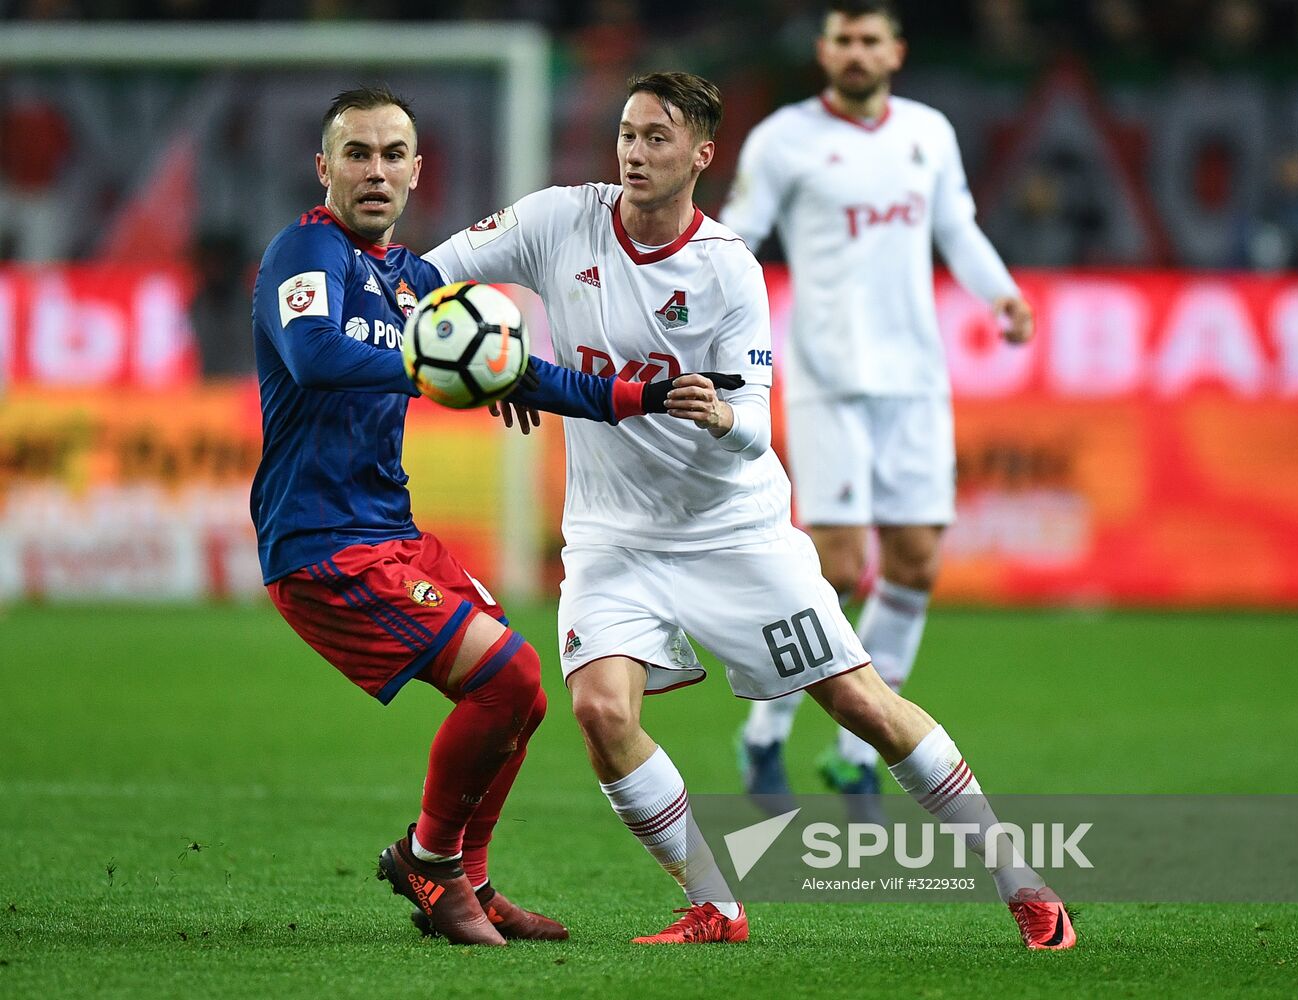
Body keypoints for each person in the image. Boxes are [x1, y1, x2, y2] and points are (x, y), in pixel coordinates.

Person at [425, 71, 1073, 949]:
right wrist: (482, 357)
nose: (634, 151)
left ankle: (1027, 888)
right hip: (613, 536)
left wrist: (721, 414)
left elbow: (755, 433)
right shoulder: (556, 220)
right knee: (602, 715)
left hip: (733, 532)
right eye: (626, 132)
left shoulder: (726, 269)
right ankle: (716, 908)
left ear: (701, 154)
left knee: (861, 704)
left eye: (657, 137)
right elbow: (433, 271)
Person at [251, 86, 679, 947]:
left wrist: (627, 396)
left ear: (417, 169)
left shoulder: (413, 281)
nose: (376, 170)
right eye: (358, 153)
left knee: (521, 704)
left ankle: (470, 886)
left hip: (390, 534)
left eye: (392, 154)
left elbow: (517, 369)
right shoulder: (305, 250)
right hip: (322, 544)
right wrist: (436, 361)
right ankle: (430, 861)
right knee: (512, 675)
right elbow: (313, 354)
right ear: (324, 166)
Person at [720, 0, 1036, 814]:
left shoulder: (927, 131)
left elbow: (957, 227)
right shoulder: (783, 138)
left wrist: (1001, 294)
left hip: (916, 378)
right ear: (823, 50)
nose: (856, 52)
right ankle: (764, 731)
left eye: (870, 39)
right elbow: (737, 238)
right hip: (828, 377)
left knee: (916, 563)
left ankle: (857, 749)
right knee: (832, 567)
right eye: (842, 40)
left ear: (895, 50)